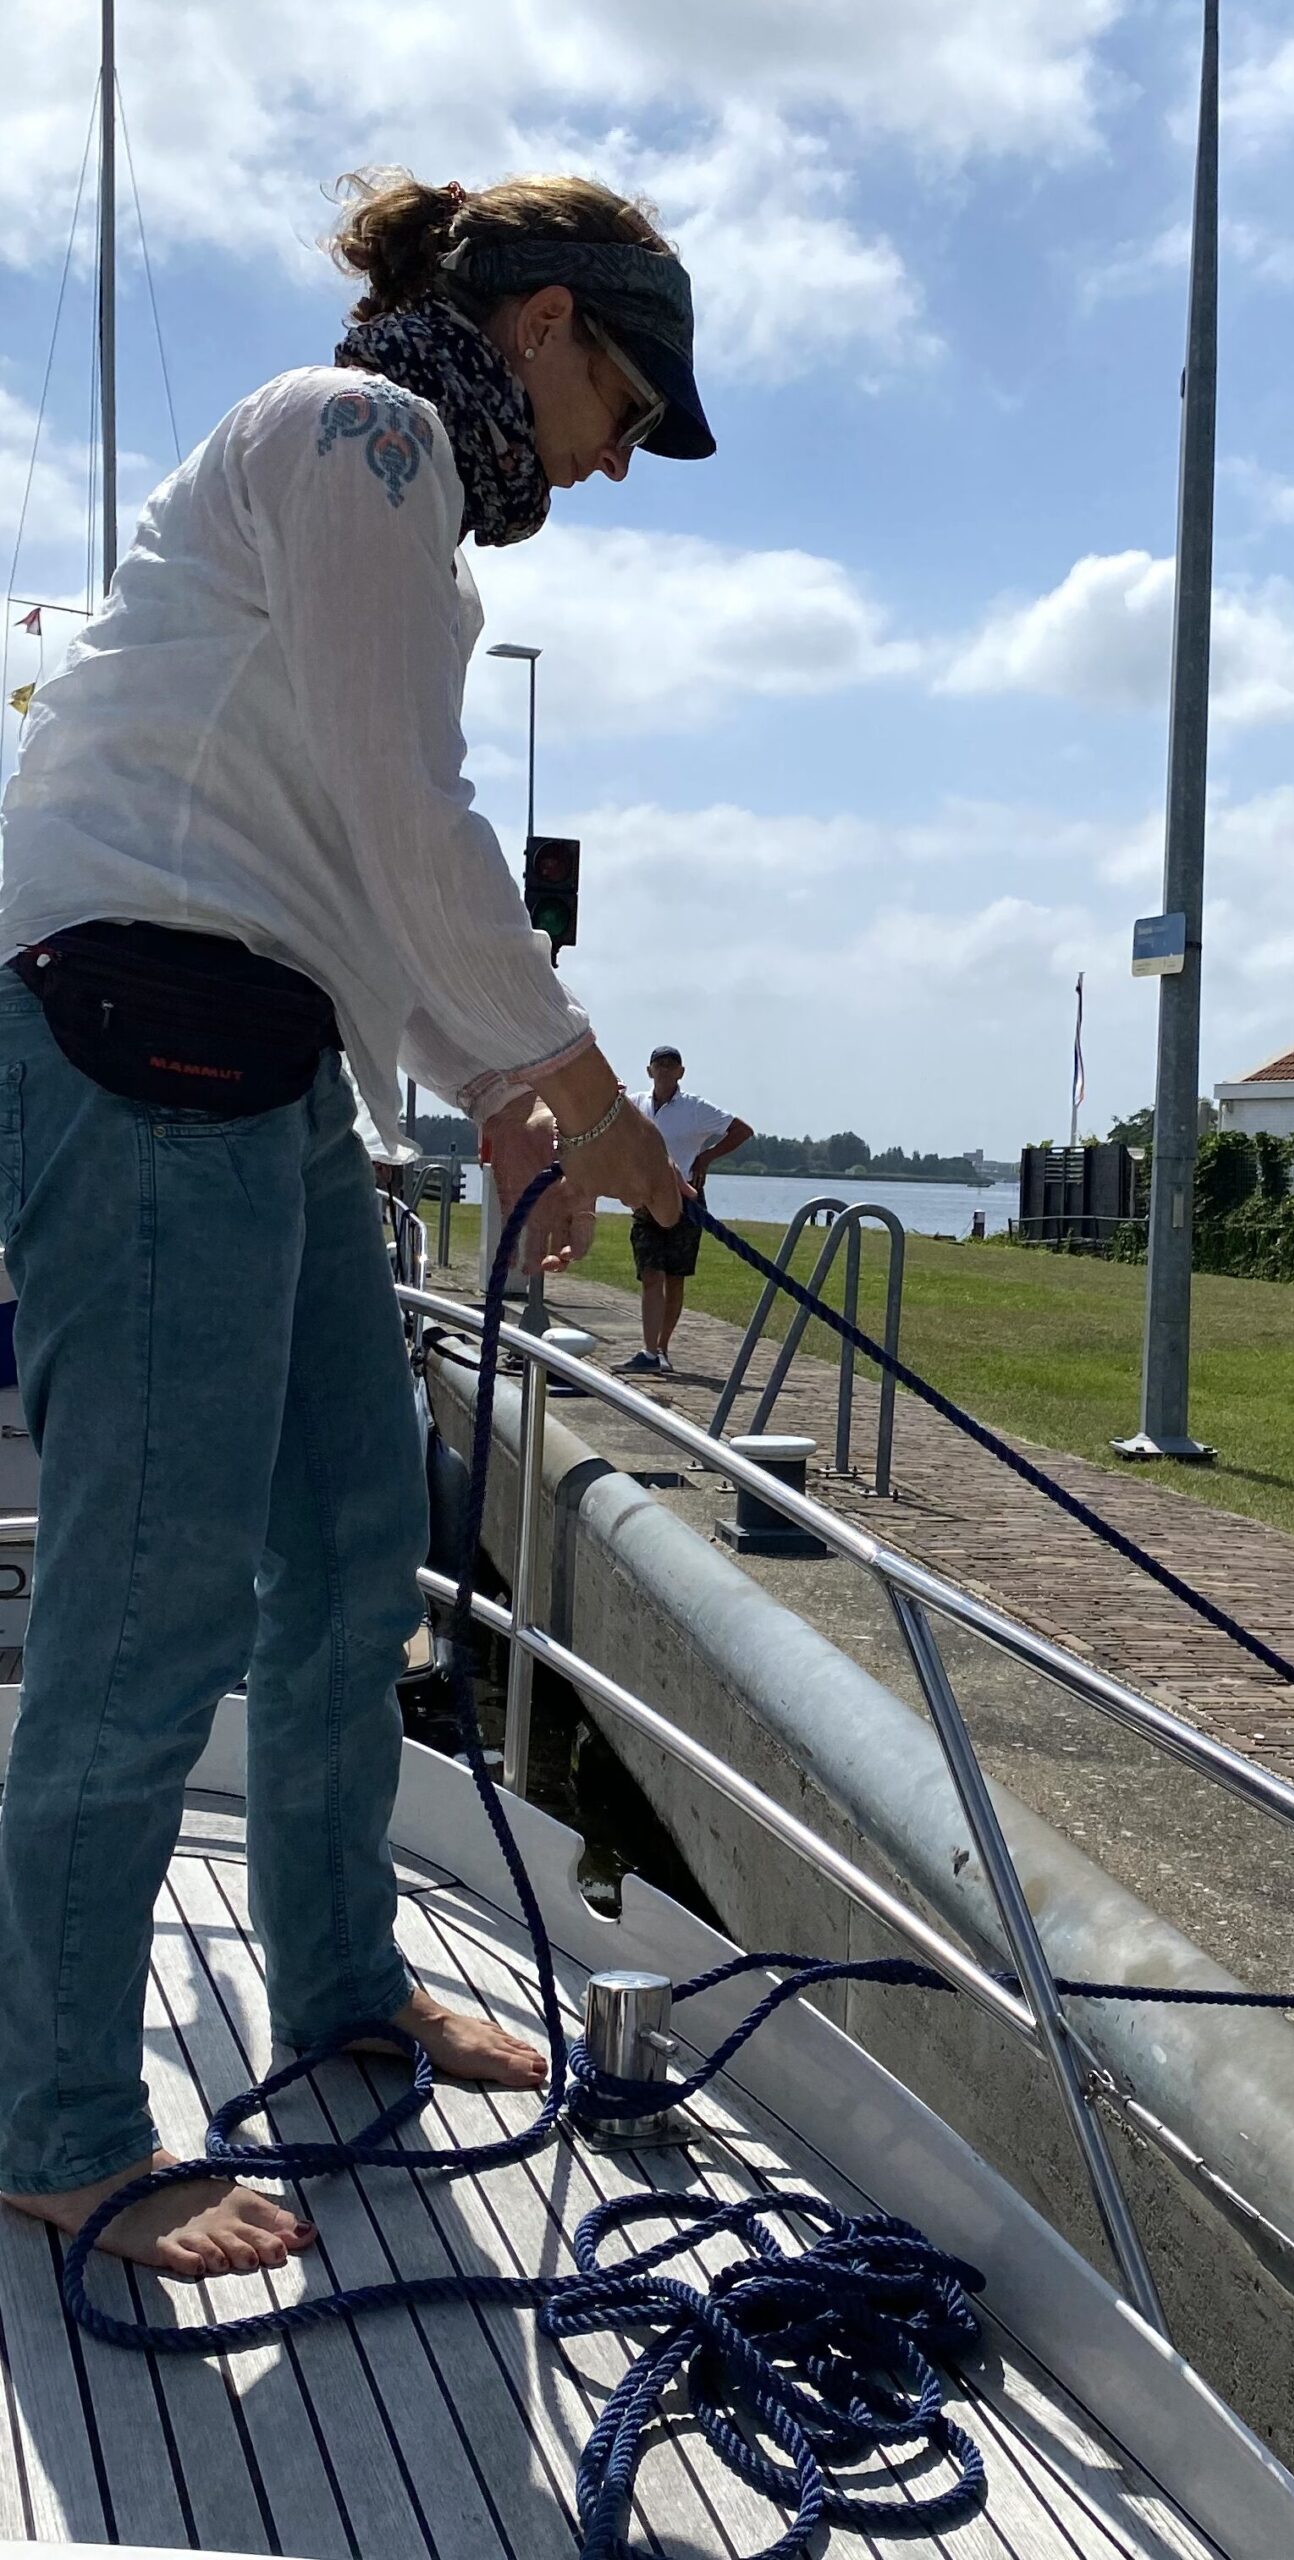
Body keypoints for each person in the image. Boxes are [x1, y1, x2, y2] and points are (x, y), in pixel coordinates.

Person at [0, 169, 714, 2278]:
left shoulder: (387, 498)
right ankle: (52, 2116)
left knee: (344, 1549)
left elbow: (354, 838)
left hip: (266, 1039)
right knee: (150, 1601)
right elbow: (407, 818)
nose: (616, 459)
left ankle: (336, 1982)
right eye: (628, 401)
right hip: (144, 1015)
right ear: (547, 322)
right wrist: (604, 1118)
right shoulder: (365, 435)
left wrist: (504, 1100)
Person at [621, 1045, 752, 1374]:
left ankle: (662, 1347)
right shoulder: (633, 1105)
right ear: (649, 1071)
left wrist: (705, 1157)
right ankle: (648, 1351)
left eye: (671, 1065)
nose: (664, 1070)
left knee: (675, 1278)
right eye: (659, 1065)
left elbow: (742, 1130)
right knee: (651, 1275)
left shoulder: (695, 1109)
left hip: (686, 1201)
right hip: (645, 1201)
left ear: (681, 1072)